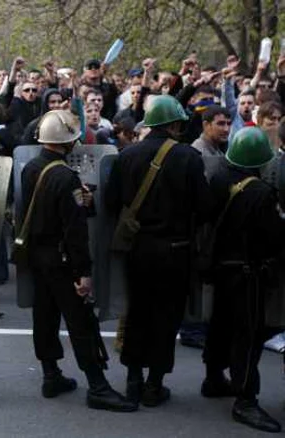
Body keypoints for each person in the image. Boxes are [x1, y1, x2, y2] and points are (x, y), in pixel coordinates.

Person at [21, 109, 136, 412]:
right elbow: (75, 233)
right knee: (81, 323)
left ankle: (50, 374)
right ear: (69, 142)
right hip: (62, 261)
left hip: (39, 257)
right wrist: (83, 273)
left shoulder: (31, 168)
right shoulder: (66, 177)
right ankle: (97, 385)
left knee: (44, 317)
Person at [105, 95, 212, 408]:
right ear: (176, 124)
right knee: (166, 318)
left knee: (137, 312)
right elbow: (205, 208)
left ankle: (133, 379)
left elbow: (112, 203)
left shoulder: (127, 156)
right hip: (176, 250)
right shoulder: (189, 157)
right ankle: (154, 385)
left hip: (138, 249)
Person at [201, 127, 283, 433]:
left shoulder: (220, 181)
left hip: (221, 268)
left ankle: (213, 377)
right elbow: (274, 237)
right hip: (249, 273)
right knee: (247, 337)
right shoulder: (262, 194)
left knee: (219, 325)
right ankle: (245, 399)